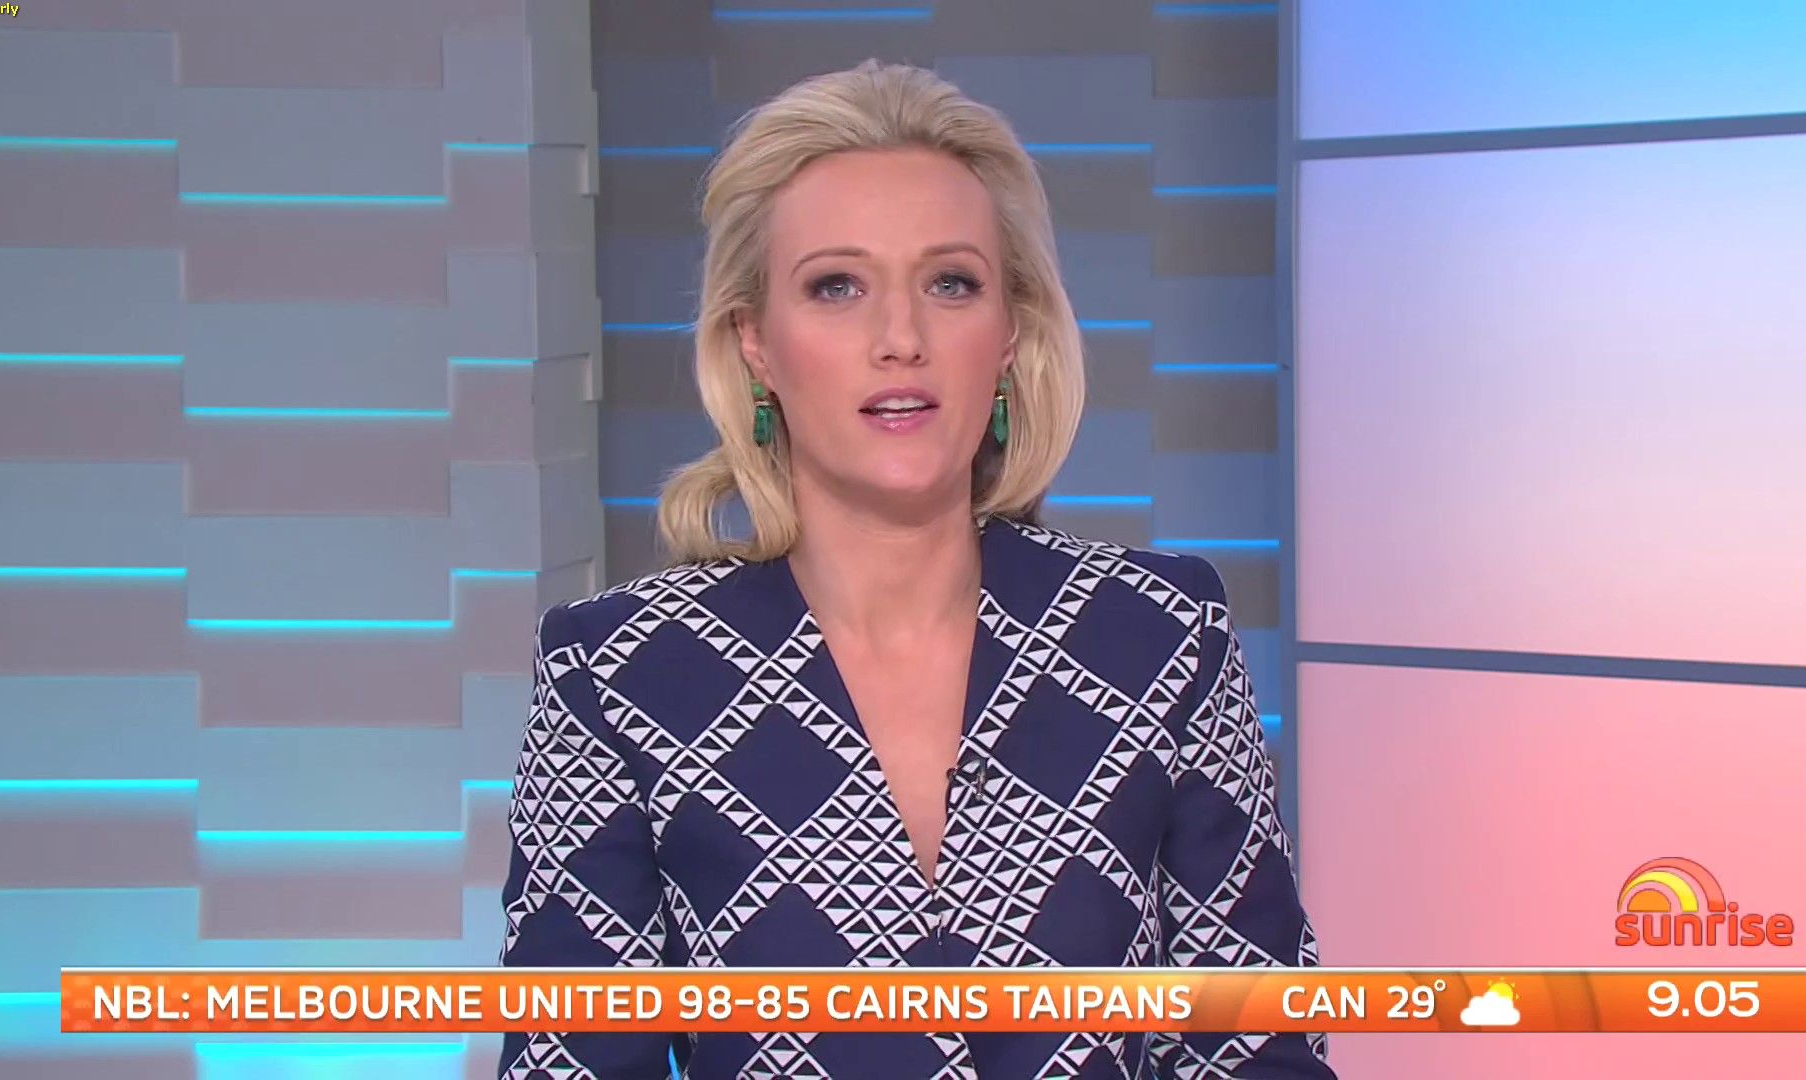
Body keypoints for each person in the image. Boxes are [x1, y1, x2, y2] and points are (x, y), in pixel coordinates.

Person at [497, 59, 1335, 1079]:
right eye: (837, 287)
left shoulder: (1160, 635)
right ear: (755, 341)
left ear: (1009, 331)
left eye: (951, 284)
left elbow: (1258, 1048)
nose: (901, 339)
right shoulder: (617, 673)